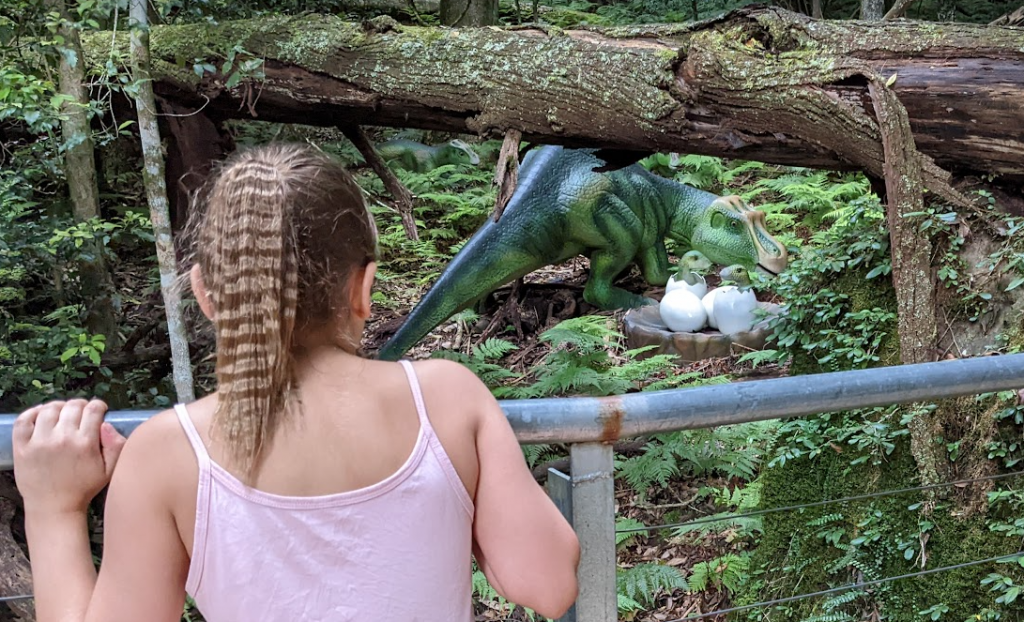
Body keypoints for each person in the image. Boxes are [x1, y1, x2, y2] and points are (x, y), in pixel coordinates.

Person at [13, 143, 580, 622]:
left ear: (208, 295)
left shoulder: (166, 454)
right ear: (364, 288)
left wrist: (53, 509)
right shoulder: (448, 399)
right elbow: (549, 585)